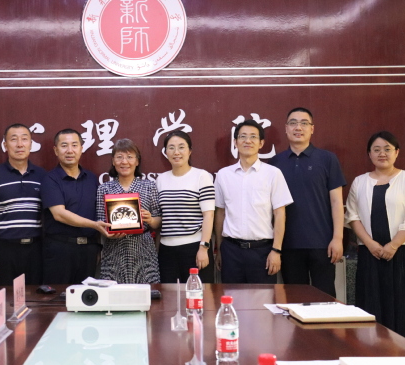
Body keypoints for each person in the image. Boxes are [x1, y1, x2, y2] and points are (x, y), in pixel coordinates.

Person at [345, 131, 405, 346]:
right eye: (377, 149)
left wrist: (393, 245)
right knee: (371, 307)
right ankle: (371, 352)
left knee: (404, 307)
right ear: (369, 154)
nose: (382, 154)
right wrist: (370, 244)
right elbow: (352, 216)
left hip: (403, 253)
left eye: (387, 149)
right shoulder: (360, 182)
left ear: (396, 152)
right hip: (371, 254)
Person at [269, 108, 346, 297]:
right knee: (294, 299)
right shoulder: (275, 163)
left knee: (325, 299)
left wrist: (337, 238)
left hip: (322, 244)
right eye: (293, 123)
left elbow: (337, 202)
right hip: (288, 245)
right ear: (286, 128)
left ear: (312, 129)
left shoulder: (327, 159)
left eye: (304, 123)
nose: (298, 127)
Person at [214, 120, 293, 283]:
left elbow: (280, 214)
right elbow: (220, 213)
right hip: (231, 251)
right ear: (235, 142)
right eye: (242, 136)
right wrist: (220, 250)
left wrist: (276, 250)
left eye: (253, 137)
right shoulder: (223, 175)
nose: (247, 141)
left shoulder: (273, 173)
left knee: (263, 298)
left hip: (262, 252)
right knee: (231, 297)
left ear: (261, 143)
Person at [40, 129, 111, 284]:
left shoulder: (91, 178)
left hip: (89, 250)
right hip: (60, 250)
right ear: (56, 150)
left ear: (81, 148)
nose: (70, 150)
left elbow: (99, 211)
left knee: (85, 296)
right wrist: (94, 225)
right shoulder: (50, 179)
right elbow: (59, 214)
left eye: (74, 145)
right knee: (59, 296)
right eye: (64, 145)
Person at [0, 123, 46, 286]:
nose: (20, 144)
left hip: (35, 249)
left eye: (24, 139)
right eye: (14, 139)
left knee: (35, 296)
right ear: (5, 145)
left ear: (31, 144)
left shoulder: (42, 176)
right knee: (5, 297)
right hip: (4, 250)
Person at [148, 131, 215, 283]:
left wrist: (203, 248)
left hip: (194, 248)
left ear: (190, 151)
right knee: (169, 295)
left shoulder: (201, 176)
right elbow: (162, 218)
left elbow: (209, 215)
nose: (176, 152)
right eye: (171, 148)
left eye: (181, 147)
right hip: (166, 250)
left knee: (198, 294)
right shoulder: (161, 179)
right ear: (165, 152)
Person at [95, 139, 160, 284]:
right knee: (113, 294)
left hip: (143, 251)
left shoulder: (149, 186)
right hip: (114, 251)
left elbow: (158, 221)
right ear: (113, 161)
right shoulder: (104, 189)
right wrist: (107, 231)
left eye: (130, 157)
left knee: (146, 293)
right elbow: (100, 221)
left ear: (137, 161)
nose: (124, 162)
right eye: (119, 157)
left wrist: (150, 219)